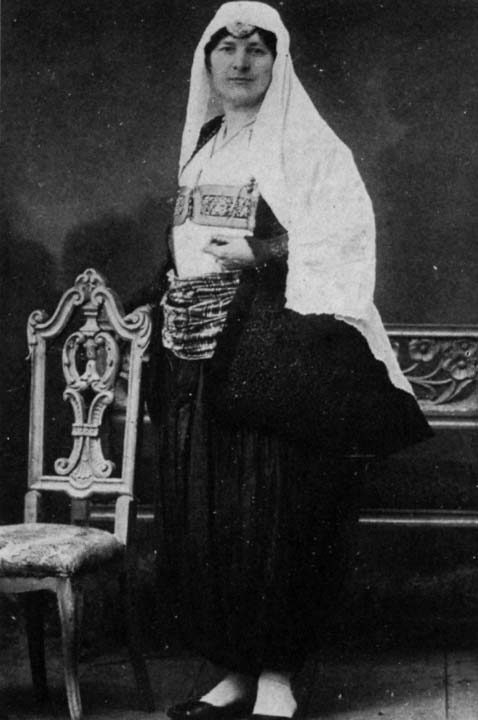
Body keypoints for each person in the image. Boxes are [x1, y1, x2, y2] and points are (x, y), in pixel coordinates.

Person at [146, 3, 433, 719]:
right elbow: (185, 247)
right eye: (226, 48)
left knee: (278, 513)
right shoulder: (204, 145)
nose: (240, 62)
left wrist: (262, 252)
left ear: (278, 62)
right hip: (204, 358)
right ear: (206, 61)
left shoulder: (310, 145)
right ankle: (234, 669)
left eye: (256, 49)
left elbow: (344, 238)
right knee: (214, 515)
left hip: (280, 359)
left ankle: (278, 676)